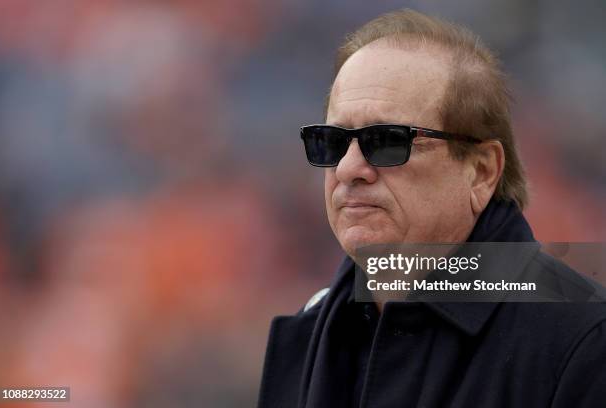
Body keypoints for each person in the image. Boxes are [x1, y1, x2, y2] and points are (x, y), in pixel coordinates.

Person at [258, 9, 606, 408]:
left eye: (388, 140)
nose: (349, 169)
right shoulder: (311, 332)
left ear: (481, 171)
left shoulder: (584, 343)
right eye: (332, 141)